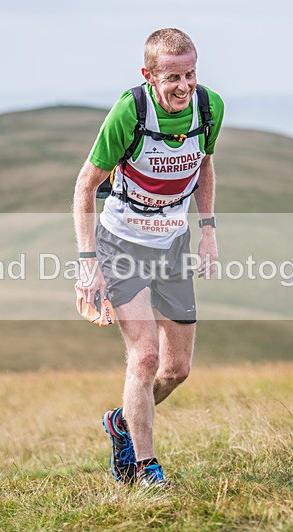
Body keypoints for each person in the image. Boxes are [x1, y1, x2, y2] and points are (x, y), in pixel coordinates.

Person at [72, 28, 224, 488]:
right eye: (174, 77)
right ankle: (144, 467)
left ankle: (123, 421)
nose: (185, 86)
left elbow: (205, 166)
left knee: (176, 369)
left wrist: (208, 232)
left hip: (173, 243)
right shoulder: (129, 112)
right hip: (121, 244)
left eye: (191, 73)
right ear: (149, 74)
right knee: (144, 357)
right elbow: (84, 187)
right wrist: (87, 260)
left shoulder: (210, 107)